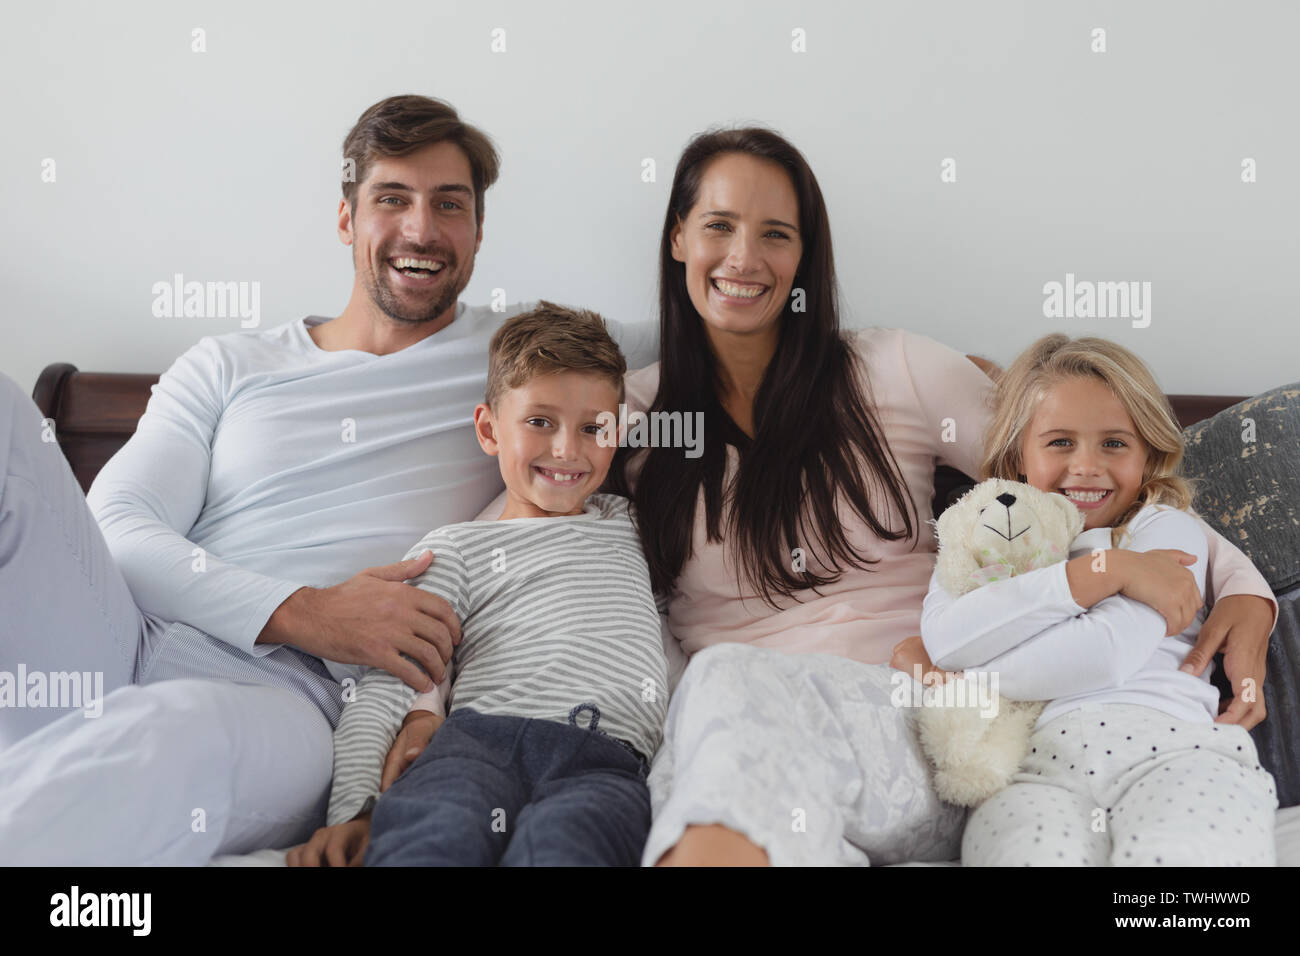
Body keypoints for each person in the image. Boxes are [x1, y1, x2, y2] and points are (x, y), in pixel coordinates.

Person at [0, 95, 655, 864]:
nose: (420, 229)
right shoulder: (229, 362)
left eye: (450, 204)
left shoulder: (521, 364)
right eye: (391, 199)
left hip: (290, 702)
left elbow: (720, 322)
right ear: (347, 219)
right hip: (122, 633)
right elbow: (120, 525)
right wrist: (303, 609)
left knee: (168, 735)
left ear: (478, 231)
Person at [604, 126, 1277, 866]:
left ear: (804, 257)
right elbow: (516, 530)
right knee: (717, 718)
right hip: (743, 745)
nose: (743, 258)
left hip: (921, 724)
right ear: (677, 238)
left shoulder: (893, 368)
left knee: (724, 683)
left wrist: (1246, 592)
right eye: (719, 226)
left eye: (775, 234)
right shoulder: (629, 418)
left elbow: (1076, 476)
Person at [287, 304, 668, 866]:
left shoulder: (636, 526)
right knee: (436, 836)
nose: (567, 448)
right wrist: (354, 812)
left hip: (605, 762)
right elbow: (388, 682)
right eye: (539, 421)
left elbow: (702, 373)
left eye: (593, 428)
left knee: (574, 847)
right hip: (477, 744)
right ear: (489, 429)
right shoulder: (455, 550)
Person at [914, 334, 1277, 865]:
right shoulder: (978, 539)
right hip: (1034, 769)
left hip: (1174, 751)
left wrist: (975, 676)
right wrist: (1097, 577)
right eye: (1060, 442)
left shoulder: (1164, 530)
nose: (1086, 466)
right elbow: (946, 640)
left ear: (1148, 454)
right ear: (1018, 456)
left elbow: (1105, 653)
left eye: (1114, 443)